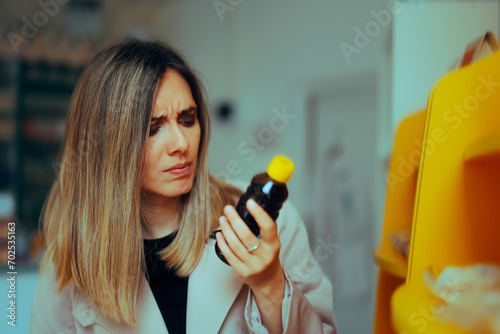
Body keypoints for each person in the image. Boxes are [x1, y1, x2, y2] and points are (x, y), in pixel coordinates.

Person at [29, 40, 337, 334]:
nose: (180, 144)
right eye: (153, 128)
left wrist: (271, 285)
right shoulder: (71, 257)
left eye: (187, 120)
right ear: (108, 144)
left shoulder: (267, 222)